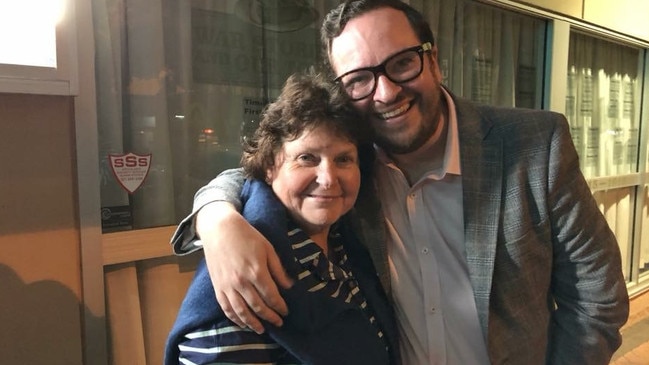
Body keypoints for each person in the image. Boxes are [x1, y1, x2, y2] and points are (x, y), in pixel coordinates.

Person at [170, 1, 629, 364]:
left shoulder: (533, 143)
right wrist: (217, 218)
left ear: (434, 62)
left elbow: (596, 296)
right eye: (360, 79)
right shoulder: (351, 167)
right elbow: (264, 169)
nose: (386, 92)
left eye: (403, 63)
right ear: (344, 90)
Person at [164, 70, 399, 365]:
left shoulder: (347, 241)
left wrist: (214, 211)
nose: (328, 179)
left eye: (343, 159)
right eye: (307, 158)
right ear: (270, 165)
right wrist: (216, 218)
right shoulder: (243, 276)